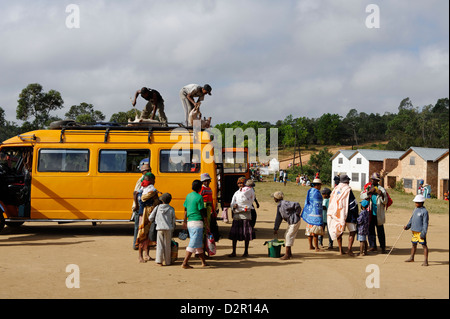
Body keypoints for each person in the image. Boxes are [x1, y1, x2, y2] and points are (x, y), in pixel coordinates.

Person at [327, 174, 359, 256]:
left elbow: (332, 201)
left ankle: (341, 250)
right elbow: (352, 204)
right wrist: (356, 214)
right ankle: (349, 249)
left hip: (337, 213)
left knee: (339, 231)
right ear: (347, 181)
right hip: (349, 214)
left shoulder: (335, 189)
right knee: (352, 231)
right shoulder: (348, 190)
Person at [181, 180, 209, 269]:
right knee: (193, 243)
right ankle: (185, 263)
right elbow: (202, 211)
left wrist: (184, 221)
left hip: (190, 222)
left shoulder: (188, 196)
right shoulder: (199, 197)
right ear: (200, 188)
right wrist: (207, 224)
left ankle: (203, 262)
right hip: (197, 222)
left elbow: (185, 209)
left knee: (198, 243)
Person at [135, 172, 160, 262]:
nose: (154, 181)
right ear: (150, 180)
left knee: (148, 235)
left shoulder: (144, 189)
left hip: (149, 214)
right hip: (144, 214)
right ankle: (140, 256)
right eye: (154, 180)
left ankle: (147, 255)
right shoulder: (148, 190)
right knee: (142, 234)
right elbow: (143, 199)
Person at [228, 177, 256, 257]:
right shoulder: (236, 193)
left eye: (242, 183)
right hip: (237, 215)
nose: (240, 185)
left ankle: (246, 251)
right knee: (234, 235)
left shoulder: (249, 191)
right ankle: (234, 252)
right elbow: (232, 203)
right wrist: (234, 206)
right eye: (239, 183)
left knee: (246, 234)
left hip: (246, 214)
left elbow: (251, 200)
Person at [272, 191, 302, 260]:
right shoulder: (279, 206)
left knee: (289, 236)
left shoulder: (285, 203)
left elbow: (297, 204)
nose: (274, 199)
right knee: (286, 235)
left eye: (274, 198)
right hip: (291, 222)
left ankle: (287, 255)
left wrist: (297, 214)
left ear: (276, 198)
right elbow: (278, 218)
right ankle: (289, 253)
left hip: (295, 221)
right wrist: (276, 228)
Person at [149, 193, 176, 266]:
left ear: (162, 200)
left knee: (160, 245)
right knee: (167, 245)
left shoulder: (157, 207)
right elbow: (173, 220)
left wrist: (156, 220)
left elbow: (150, 218)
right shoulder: (171, 209)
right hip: (168, 229)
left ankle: (159, 261)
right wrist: (173, 228)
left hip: (159, 228)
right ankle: (168, 261)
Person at [364, 172, 388, 253]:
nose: (375, 181)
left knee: (380, 231)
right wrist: (369, 192)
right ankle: (372, 246)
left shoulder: (381, 189)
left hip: (378, 213)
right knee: (371, 230)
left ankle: (383, 247)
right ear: (371, 179)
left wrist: (381, 195)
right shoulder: (368, 187)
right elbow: (362, 196)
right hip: (370, 212)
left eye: (376, 180)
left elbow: (385, 202)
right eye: (373, 180)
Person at [404, 194, 429, 266]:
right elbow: (411, 219)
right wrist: (407, 226)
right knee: (413, 244)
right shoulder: (415, 210)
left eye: (417, 202)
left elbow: (425, 223)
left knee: (424, 246)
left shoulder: (424, 212)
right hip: (414, 231)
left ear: (421, 202)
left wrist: (423, 233)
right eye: (415, 202)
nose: (415, 203)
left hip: (420, 232)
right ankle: (412, 258)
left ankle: (425, 261)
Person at [132, 160, 151, 250]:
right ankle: (136, 244)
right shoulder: (142, 179)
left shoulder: (146, 179)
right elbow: (135, 193)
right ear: (144, 172)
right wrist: (136, 205)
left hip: (141, 205)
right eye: (149, 170)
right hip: (139, 206)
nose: (150, 172)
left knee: (141, 227)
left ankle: (139, 244)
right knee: (138, 226)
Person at [301, 178, 324, 251]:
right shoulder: (316, 192)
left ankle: (311, 246)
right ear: (317, 185)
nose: (320, 187)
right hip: (315, 215)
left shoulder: (310, 191)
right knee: (315, 232)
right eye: (320, 185)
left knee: (309, 231)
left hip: (310, 214)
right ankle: (316, 247)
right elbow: (318, 203)